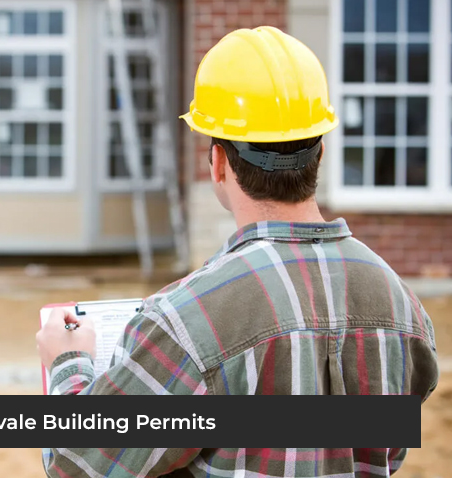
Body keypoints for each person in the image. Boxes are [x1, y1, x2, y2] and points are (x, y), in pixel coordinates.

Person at [36, 26, 439, 477]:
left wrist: (67, 363)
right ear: (320, 152)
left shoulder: (189, 320)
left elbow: (76, 461)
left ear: (219, 162)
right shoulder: (403, 309)